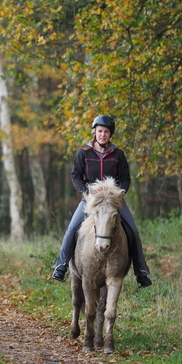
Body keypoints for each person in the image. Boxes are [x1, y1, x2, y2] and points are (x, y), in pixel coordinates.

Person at [51, 115, 152, 288]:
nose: (102, 134)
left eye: (106, 132)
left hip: (113, 202)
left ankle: (141, 271)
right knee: (71, 229)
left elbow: (125, 178)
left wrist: (121, 192)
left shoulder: (118, 154)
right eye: (99, 131)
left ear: (110, 134)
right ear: (94, 132)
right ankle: (60, 266)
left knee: (133, 231)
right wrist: (85, 192)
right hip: (90, 201)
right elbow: (75, 175)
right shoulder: (83, 153)